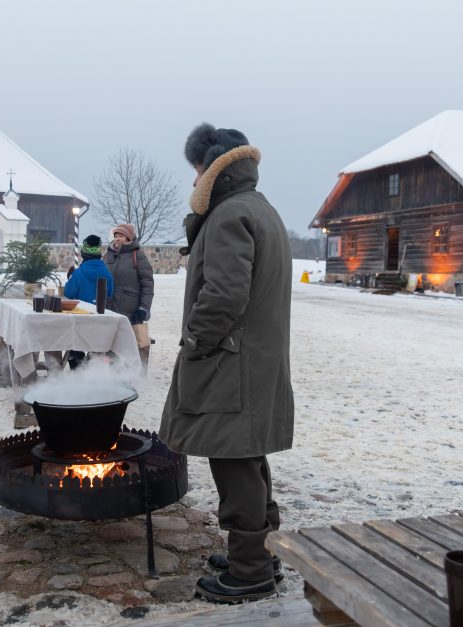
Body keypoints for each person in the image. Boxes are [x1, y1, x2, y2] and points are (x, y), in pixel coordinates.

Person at [159, 123, 294, 604]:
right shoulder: (259, 208)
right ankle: (259, 554)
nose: (193, 180)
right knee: (248, 459)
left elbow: (224, 294)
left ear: (211, 167)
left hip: (231, 365)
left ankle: (251, 571)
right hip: (252, 363)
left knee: (235, 466)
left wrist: (195, 339)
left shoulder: (228, 214)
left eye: (195, 170)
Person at [103, 223, 155, 368]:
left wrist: (144, 308)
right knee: (110, 343)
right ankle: (111, 375)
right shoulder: (108, 255)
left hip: (130, 309)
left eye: (121, 236)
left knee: (128, 344)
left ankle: (130, 376)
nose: (117, 239)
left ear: (129, 238)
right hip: (109, 307)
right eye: (115, 236)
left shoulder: (137, 255)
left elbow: (147, 284)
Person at [63, 234, 114, 369]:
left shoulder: (79, 273)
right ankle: (92, 372)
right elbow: (109, 293)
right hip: (100, 321)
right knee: (96, 349)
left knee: (75, 347)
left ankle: (77, 371)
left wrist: (70, 279)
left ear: (84, 254)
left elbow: (68, 293)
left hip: (80, 320)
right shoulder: (107, 273)